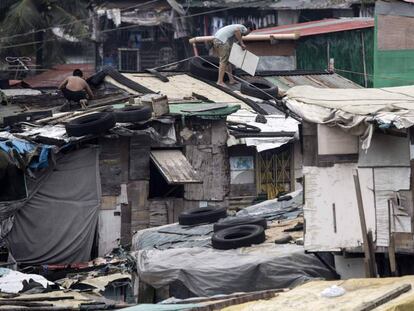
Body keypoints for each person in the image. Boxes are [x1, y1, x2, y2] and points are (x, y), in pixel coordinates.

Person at [213, 21, 256, 87]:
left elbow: (232, 40)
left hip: (217, 39)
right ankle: (220, 81)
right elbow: (237, 30)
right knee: (223, 61)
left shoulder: (235, 29)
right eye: (250, 31)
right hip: (222, 41)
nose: (248, 33)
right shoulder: (242, 28)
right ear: (249, 28)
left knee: (227, 62)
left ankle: (231, 80)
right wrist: (242, 44)